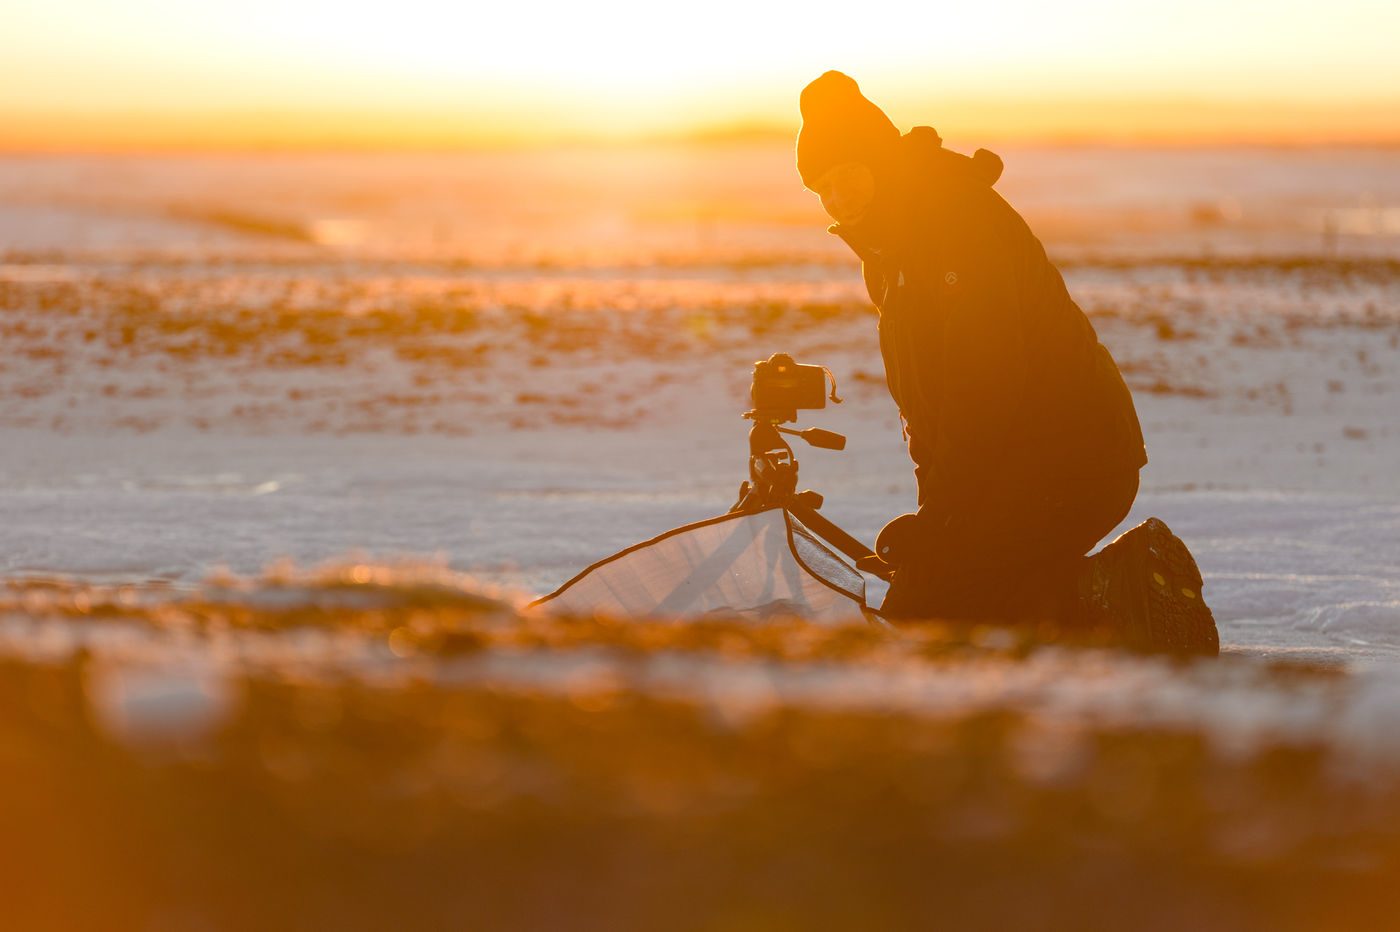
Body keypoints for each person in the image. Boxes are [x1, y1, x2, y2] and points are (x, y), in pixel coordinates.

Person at [795, 71, 1217, 654]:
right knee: (937, 593)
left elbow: (983, 381)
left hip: (1073, 458)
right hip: (1010, 462)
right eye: (823, 188)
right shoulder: (890, 252)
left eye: (848, 176)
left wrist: (944, 519)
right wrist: (934, 513)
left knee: (930, 613)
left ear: (882, 161)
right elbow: (925, 402)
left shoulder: (957, 222)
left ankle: (1132, 593)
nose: (839, 199)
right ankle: (1092, 604)